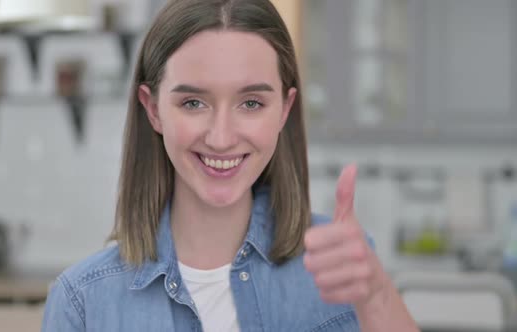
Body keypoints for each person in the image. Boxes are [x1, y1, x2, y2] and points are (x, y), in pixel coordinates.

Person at [42, 0, 418, 331]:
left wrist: (378, 297)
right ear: (153, 109)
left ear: (284, 110)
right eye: (193, 103)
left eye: (251, 103)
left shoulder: (344, 266)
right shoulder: (82, 302)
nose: (221, 138)